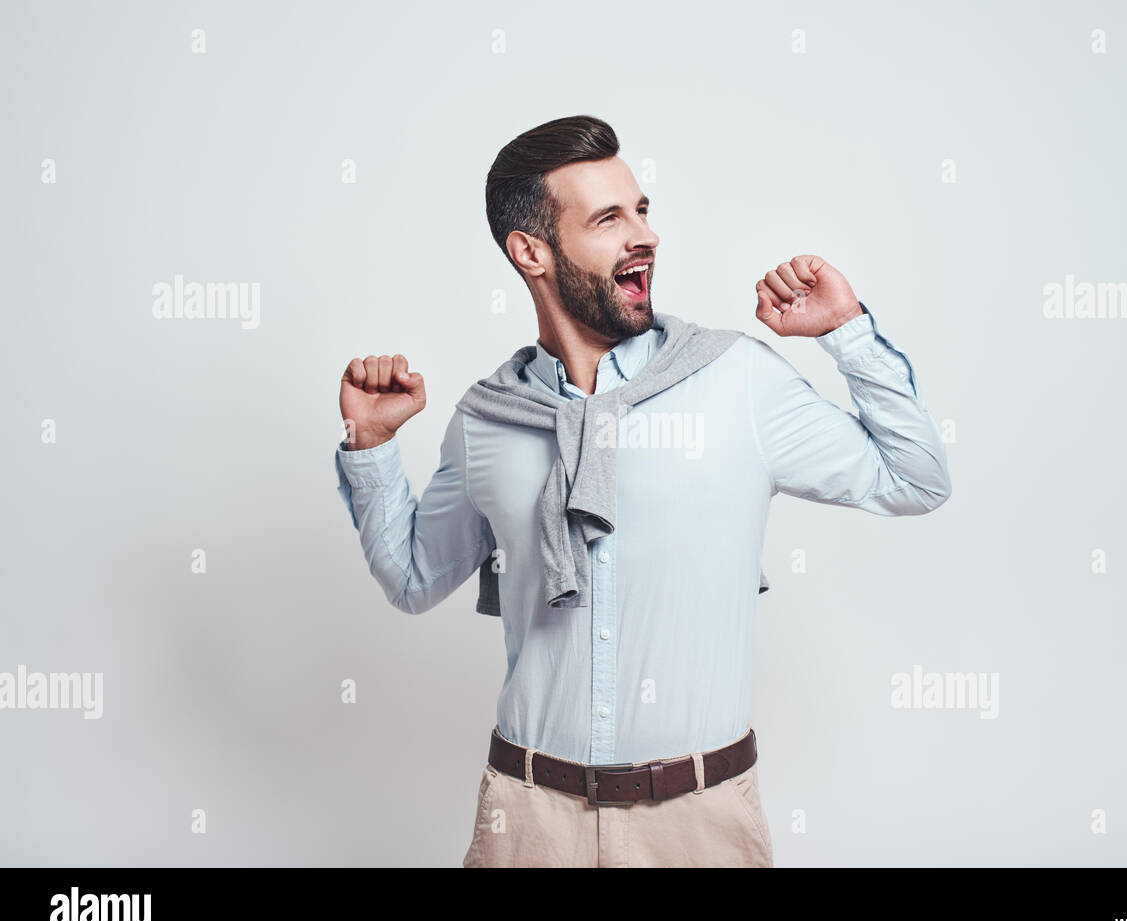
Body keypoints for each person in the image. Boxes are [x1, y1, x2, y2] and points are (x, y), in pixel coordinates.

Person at [333, 115, 952, 867]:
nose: (645, 235)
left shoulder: (736, 382)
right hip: (528, 823)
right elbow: (411, 578)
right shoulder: (489, 418)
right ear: (530, 251)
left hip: (700, 824)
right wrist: (372, 445)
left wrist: (846, 331)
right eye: (608, 218)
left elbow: (915, 478)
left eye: (642, 210)